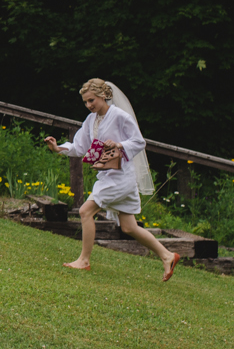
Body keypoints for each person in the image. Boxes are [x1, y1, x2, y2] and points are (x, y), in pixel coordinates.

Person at [42, 78, 181, 280]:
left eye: (92, 100)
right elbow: (79, 147)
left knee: (85, 211)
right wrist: (58, 148)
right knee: (129, 227)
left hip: (120, 177)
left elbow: (139, 142)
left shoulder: (120, 116)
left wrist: (119, 144)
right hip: (108, 176)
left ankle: (84, 260)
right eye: (86, 102)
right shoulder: (91, 120)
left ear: (104, 96)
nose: (89, 105)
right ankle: (168, 256)